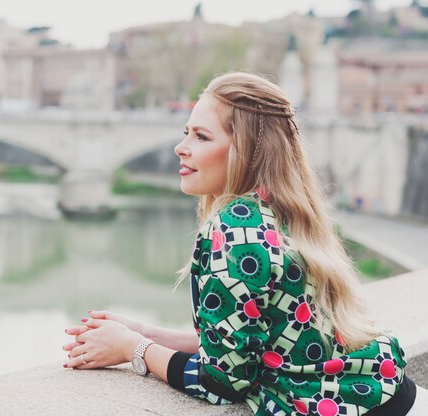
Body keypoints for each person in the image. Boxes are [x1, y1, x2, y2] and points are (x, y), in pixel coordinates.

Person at [62, 72, 426, 415]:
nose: (179, 148)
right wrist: (149, 333)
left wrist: (132, 348)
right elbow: (256, 345)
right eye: (185, 132)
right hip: (391, 393)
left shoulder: (233, 231)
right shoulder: (280, 208)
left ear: (246, 150)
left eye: (201, 137)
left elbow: (222, 383)